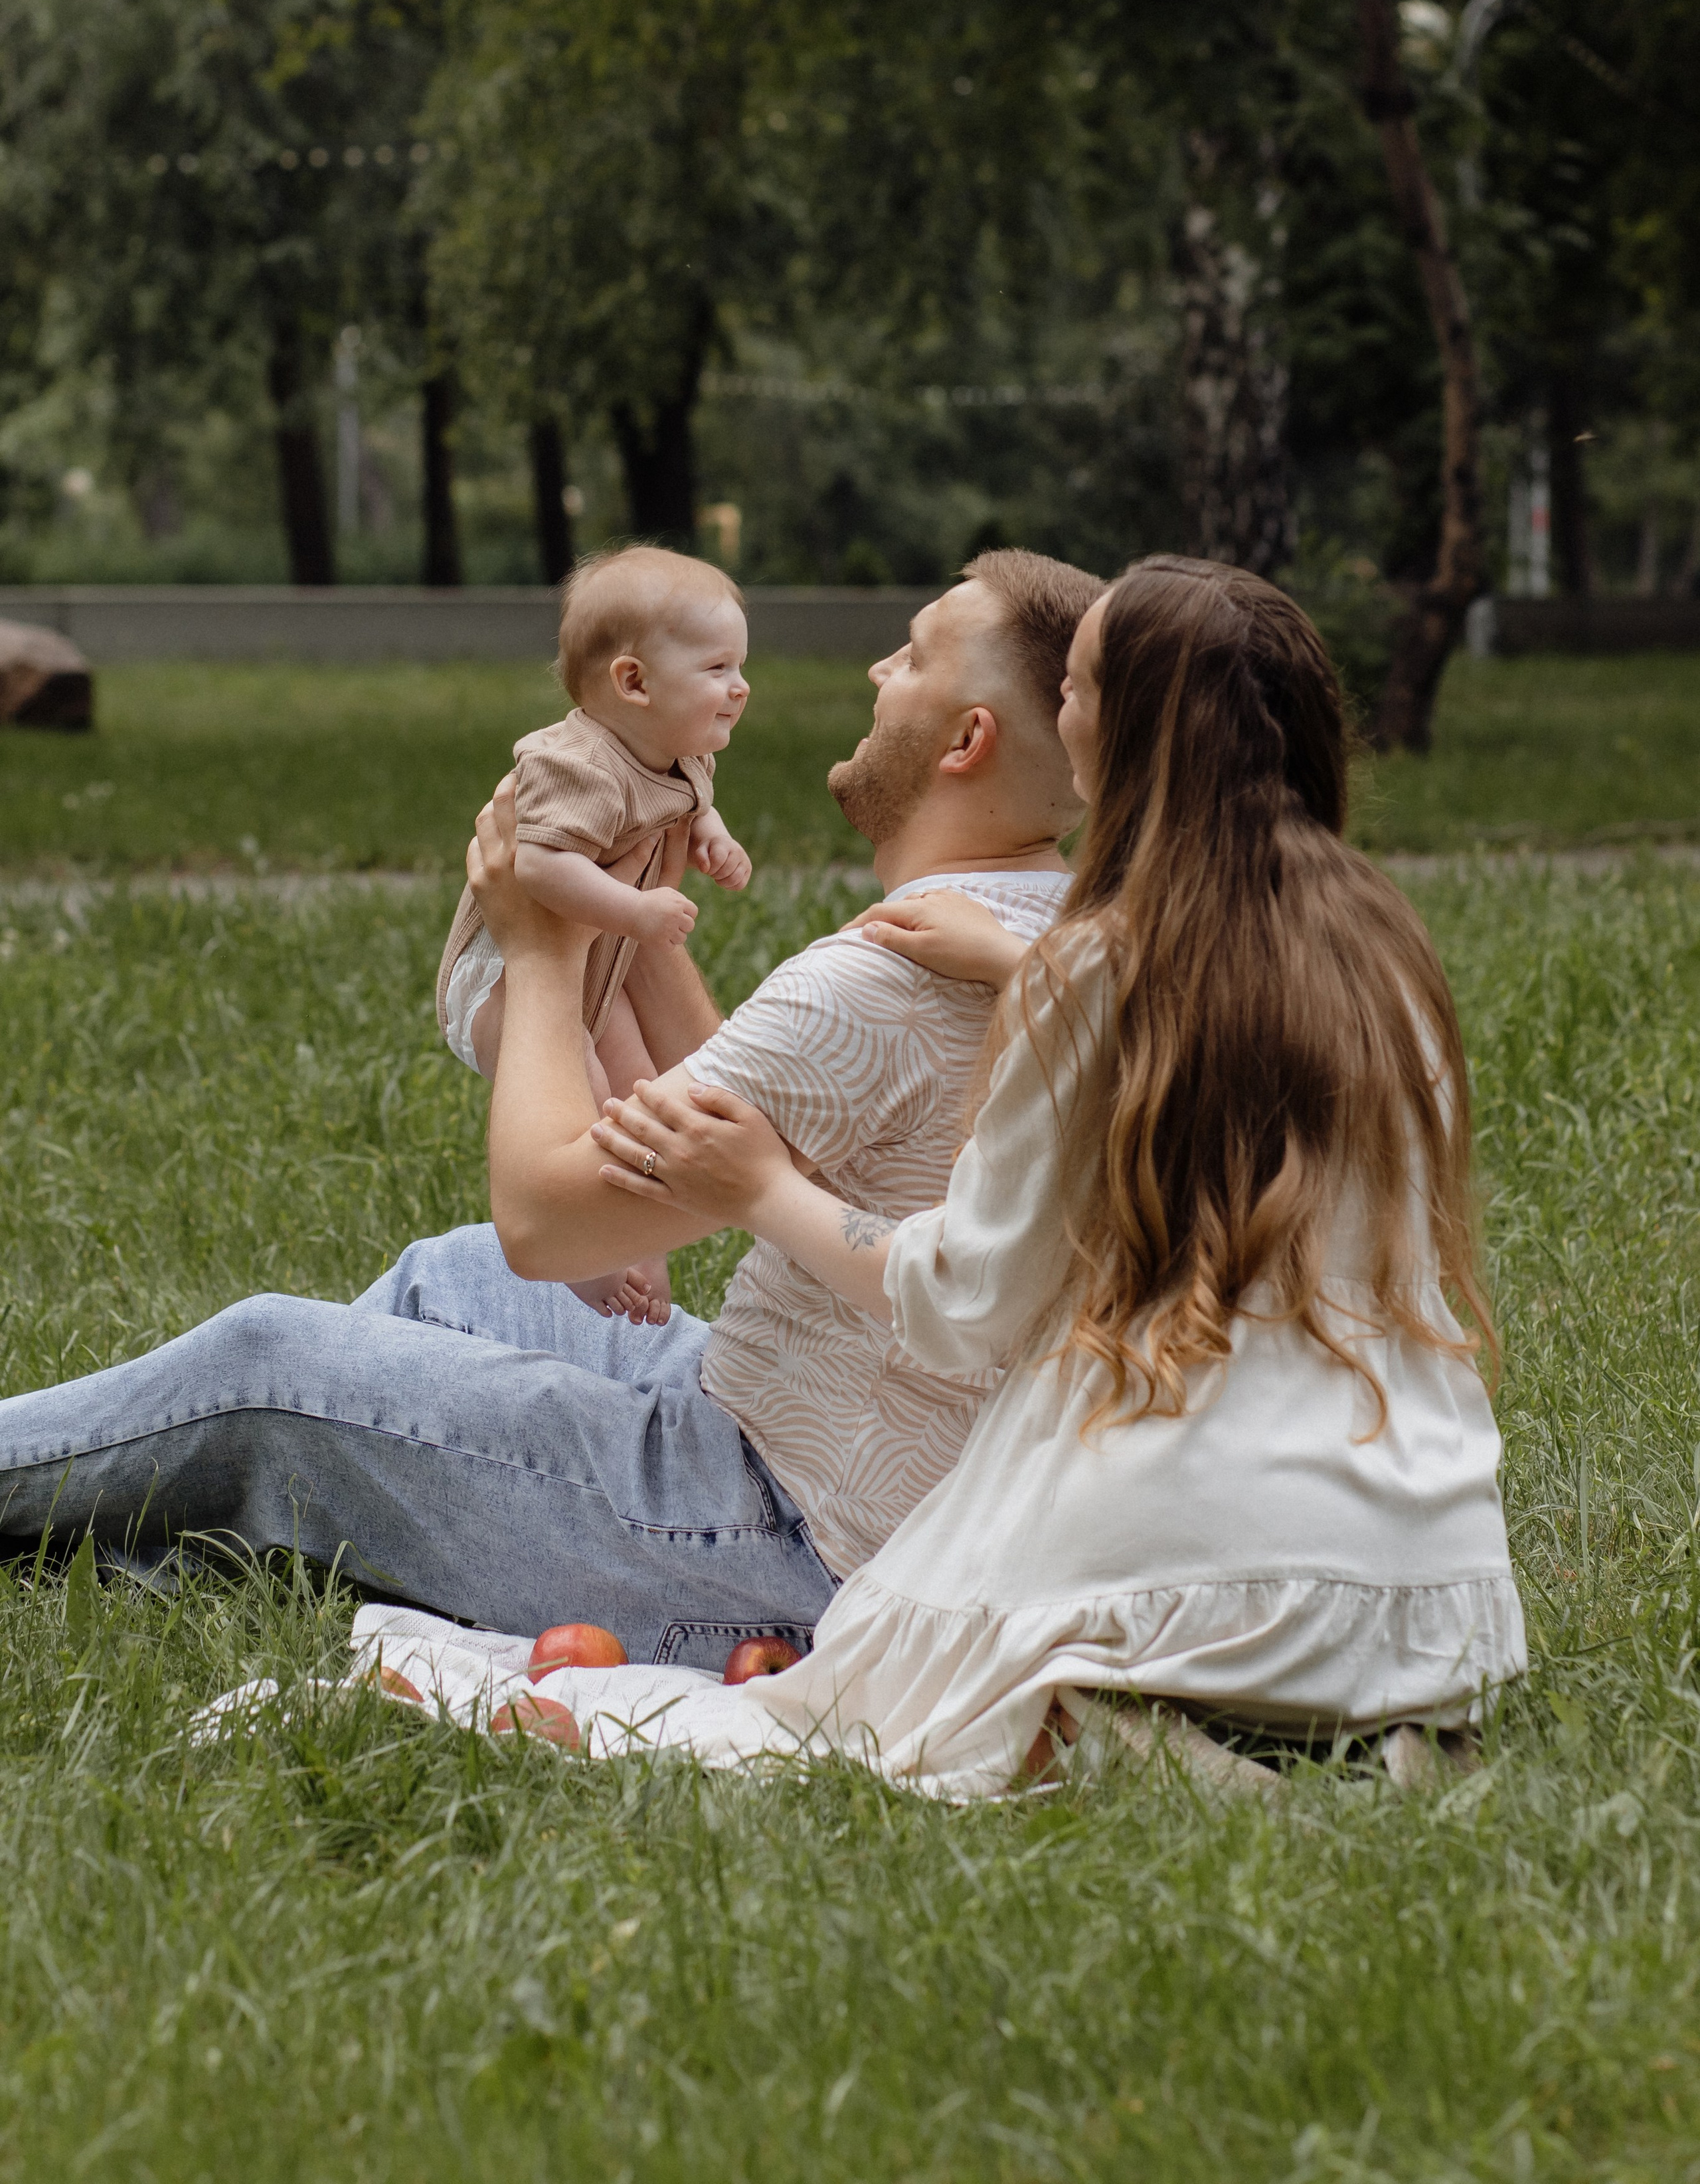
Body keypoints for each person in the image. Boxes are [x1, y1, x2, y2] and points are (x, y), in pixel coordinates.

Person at [0, 550, 1104, 1675]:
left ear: (967, 741)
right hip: (816, 1448)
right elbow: (784, 1123)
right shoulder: (1065, 941)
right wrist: (625, 899)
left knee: (267, 1366)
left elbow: (551, 1226)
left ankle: (221, 1490)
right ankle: (251, 1526)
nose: (877, 667)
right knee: (450, 1281)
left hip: (775, 1540)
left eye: (911, 656)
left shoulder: (889, 977)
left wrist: (543, 948)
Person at [581, 558, 1529, 1796]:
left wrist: (762, 1186)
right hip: (1431, 1598)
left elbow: (971, 1297)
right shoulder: (1383, 950)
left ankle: (1148, 1733)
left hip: (1206, 1580)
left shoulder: (1096, 971)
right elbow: (1191, 1043)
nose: (1062, 712)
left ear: (1123, 730)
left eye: (1077, 688)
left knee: (873, 1686)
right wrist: (1030, 975)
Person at [436, 546, 755, 1325]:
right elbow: (538, 869)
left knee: (642, 1091)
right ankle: (582, 1263)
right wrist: (639, 913)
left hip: (589, 974)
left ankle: (640, 1251)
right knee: (590, 1091)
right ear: (634, 682)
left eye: (740, 667)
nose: (740, 686)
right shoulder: (574, 764)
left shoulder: (678, 751)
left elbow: (690, 803)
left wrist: (713, 835)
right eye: (717, 668)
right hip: (505, 974)